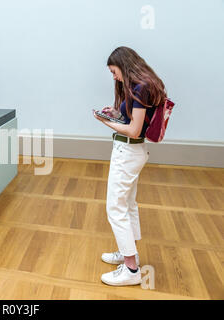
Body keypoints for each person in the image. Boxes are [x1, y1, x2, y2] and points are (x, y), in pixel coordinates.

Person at [93, 46, 167, 286]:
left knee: (115, 208)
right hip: (133, 151)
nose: (114, 77)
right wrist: (116, 112)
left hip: (128, 151)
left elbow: (134, 130)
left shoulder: (140, 88)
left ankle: (131, 270)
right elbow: (135, 120)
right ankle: (129, 255)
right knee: (128, 205)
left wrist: (106, 121)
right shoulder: (143, 86)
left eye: (114, 72)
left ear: (124, 66)